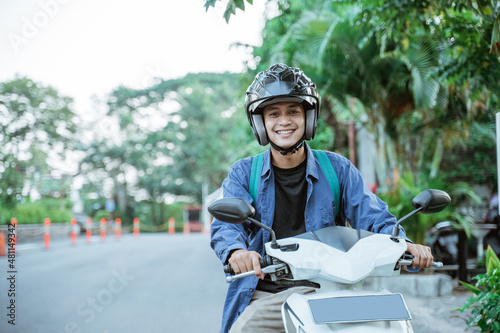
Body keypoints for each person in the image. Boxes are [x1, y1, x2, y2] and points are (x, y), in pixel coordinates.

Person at [210, 63, 433, 333]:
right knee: (243, 329)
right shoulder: (244, 173)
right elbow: (226, 225)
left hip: (330, 289)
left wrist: (404, 244)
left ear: (309, 117)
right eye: (273, 113)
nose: (284, 121)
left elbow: (373, 215)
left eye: (293, 111)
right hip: (267, 295)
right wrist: (237, 251)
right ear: (260, 123)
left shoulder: (337, 168)